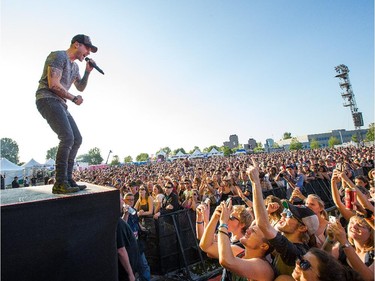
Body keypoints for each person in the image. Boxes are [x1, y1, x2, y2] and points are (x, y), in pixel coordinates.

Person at [35, 34, 98, 194]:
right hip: (47, 99)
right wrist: (73, 98)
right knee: (67, 137)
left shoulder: (75, 67)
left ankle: (68, 179)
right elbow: (53, 84)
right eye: (87, 48)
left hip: (61, 103)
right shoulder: (58, 56)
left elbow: (80, 87)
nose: (88, 53)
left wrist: (88, 72)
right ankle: (60, 182)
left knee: (77, 138)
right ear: (76, 44)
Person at [249, 161, 319, 276]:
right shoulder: (289, 244)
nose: (282, 214)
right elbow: (254, 228)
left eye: (289, 214)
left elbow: (263, 224)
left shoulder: (296, 252)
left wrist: (255, 183)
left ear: (302, 227)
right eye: (285, 211)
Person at [217, 200, 275, 281]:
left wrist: (223, 223)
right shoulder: (242, 255)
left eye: (253, 231)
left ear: (264, 246)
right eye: (250, 228)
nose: (247, 231)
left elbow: (227, 261)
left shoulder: (262, 267)